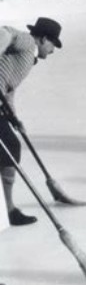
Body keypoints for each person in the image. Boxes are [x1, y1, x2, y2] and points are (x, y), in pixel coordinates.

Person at [0, 17, 63, 225]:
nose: (53, 50)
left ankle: (8, 209)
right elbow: (6, 32)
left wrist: (13, 117)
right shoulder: (28, 42)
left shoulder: (28, 59)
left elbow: (8, 89)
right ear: (43, 39)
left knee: (9, 149)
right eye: (53, 44)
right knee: (10, 148)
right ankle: (9, 210)